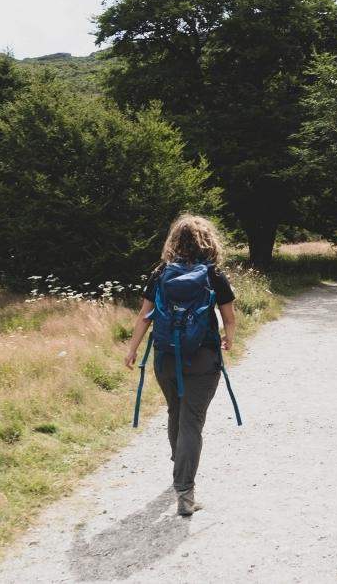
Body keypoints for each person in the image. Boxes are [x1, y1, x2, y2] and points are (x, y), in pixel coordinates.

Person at [123, 214, 236, 516]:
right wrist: (228, 338)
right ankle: (185, 492)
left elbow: (143, 317)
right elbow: (229, 318)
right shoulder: (213, 274)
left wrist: (132, 350)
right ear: (208, 241)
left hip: (165, 358)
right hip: (202, 357)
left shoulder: (161, 273)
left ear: (174, 241)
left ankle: (180, 468)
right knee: (192, 421)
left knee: (176, 412)